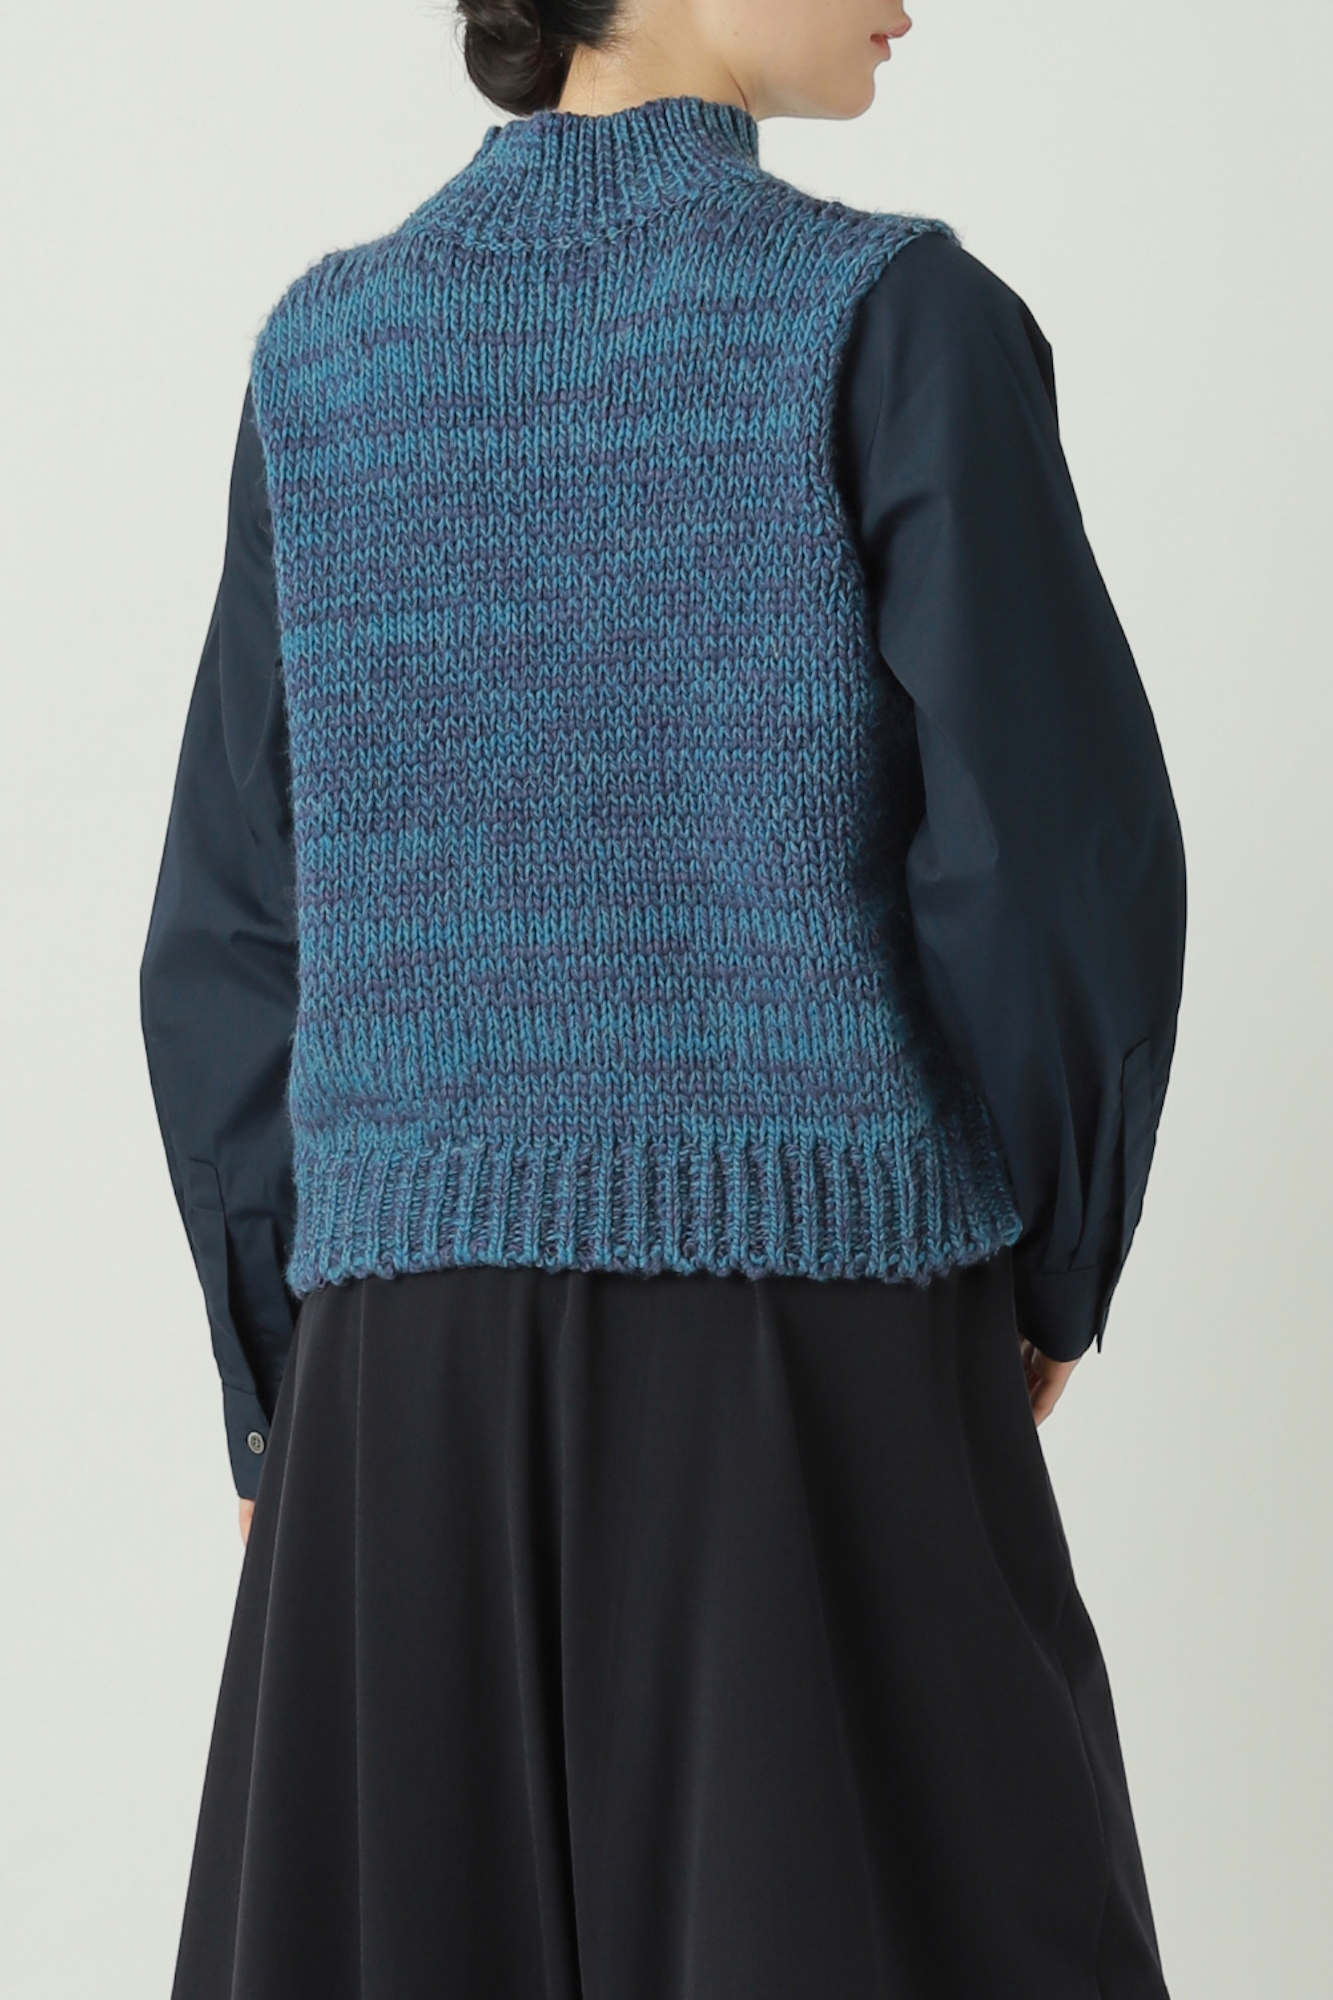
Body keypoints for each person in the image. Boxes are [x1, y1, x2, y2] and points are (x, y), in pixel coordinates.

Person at [140, 2, 1187, 1993]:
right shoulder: (894, 321)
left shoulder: (326, 353)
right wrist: (1056, 1259)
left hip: (396, 1396)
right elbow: (1051, 863)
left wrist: (285, 1386)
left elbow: (229, 925)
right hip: (809, 1340)